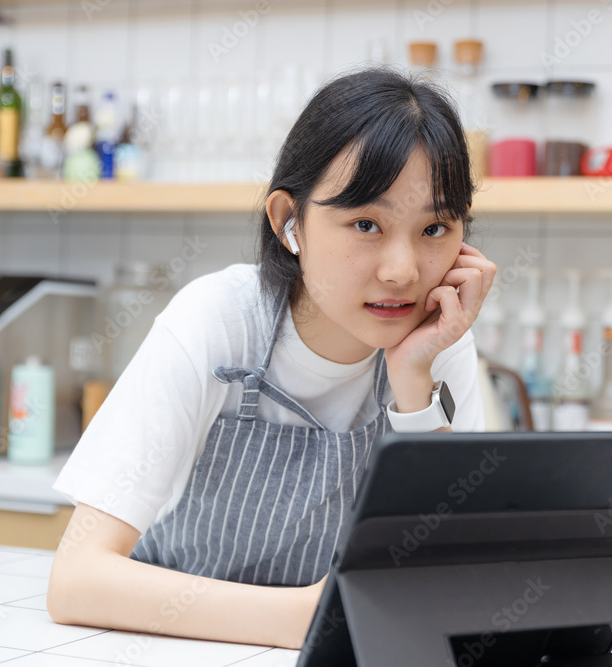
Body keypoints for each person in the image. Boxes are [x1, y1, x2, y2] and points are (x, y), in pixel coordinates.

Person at [46, 66, 497, 650]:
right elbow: (76, 581)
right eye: (366, 223)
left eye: (435, 227)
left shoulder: (439, 340)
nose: (403, 270)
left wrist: (415, 382)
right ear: (289, 222)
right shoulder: (217, 317)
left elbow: (444, 579)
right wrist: (310, 619)